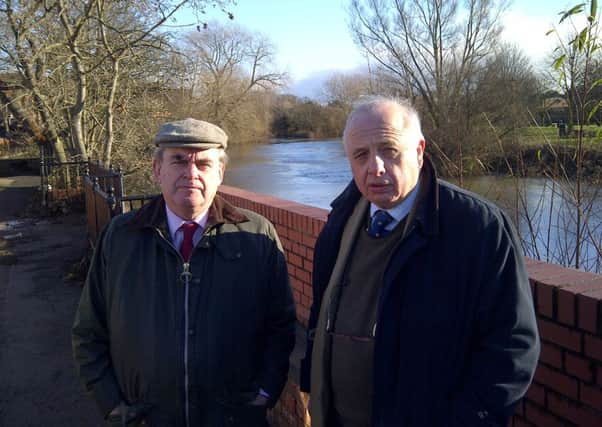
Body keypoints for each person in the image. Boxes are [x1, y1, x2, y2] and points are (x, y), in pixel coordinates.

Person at [300, 97, 540, 427]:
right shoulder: (341, 220)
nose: (376, 167)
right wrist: (309, 384)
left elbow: (512, 348)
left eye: (389, 149)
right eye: (361, 155)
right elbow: (321, 314)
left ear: (419, 150)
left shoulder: (477, 228)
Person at [72, 118, 296, 426]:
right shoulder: (120, 237)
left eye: (203, 164)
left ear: (220, 173)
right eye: (179, 161)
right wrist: (110, 403)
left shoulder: (257, 236)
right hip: (145, 418)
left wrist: (264, 394)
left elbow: (281, 326)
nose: (191, 174)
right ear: (157, 170)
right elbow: (89, 329)